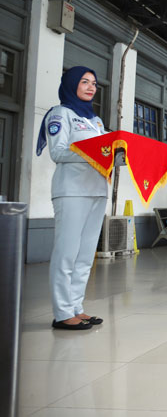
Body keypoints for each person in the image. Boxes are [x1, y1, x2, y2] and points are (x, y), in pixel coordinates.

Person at [36, 66, 109, 330]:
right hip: (72, 191)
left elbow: (104, 153)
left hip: (97, 190)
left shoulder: (96, 121)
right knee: (67, 252)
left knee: (85, 255)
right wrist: (95, 152)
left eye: (94, 83)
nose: (91, 87)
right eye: (84, 82)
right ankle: (62, 312)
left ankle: (77, 307)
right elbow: (58, 152)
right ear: (71, 84)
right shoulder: (60, 114)